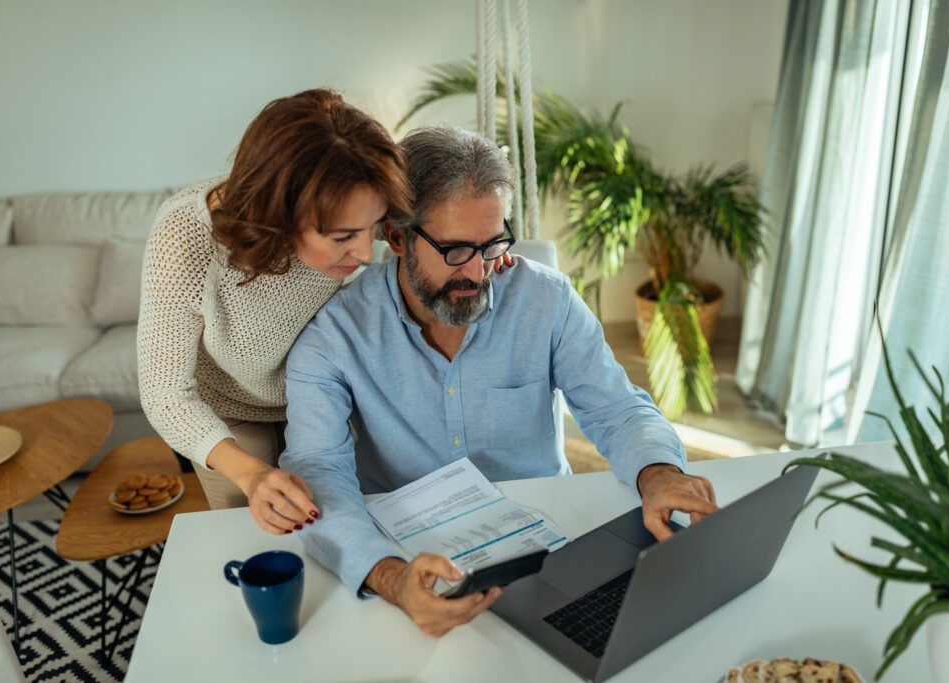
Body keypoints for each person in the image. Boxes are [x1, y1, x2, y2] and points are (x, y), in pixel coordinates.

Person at [280, 126, 719, 637]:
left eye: (491, 245)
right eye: (456, 250)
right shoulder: (334, 335)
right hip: (406, 553)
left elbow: (617, 409)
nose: (479, 272)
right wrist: (390, 577)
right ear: (397, 238)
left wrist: (659, 474)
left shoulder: (546, 300)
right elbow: (318, 472)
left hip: (548, 545)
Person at [138, 90, 507, 534]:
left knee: (338, 518)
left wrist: (479, 252)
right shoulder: (186, 238)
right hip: (232, 410)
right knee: (255, 531)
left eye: (372, 228)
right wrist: (251, 476)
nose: (365, 253)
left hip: (324, 389)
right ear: (279, 217)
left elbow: (442, 218)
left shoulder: (357, 195)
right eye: (343, 237)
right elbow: (165, 395)